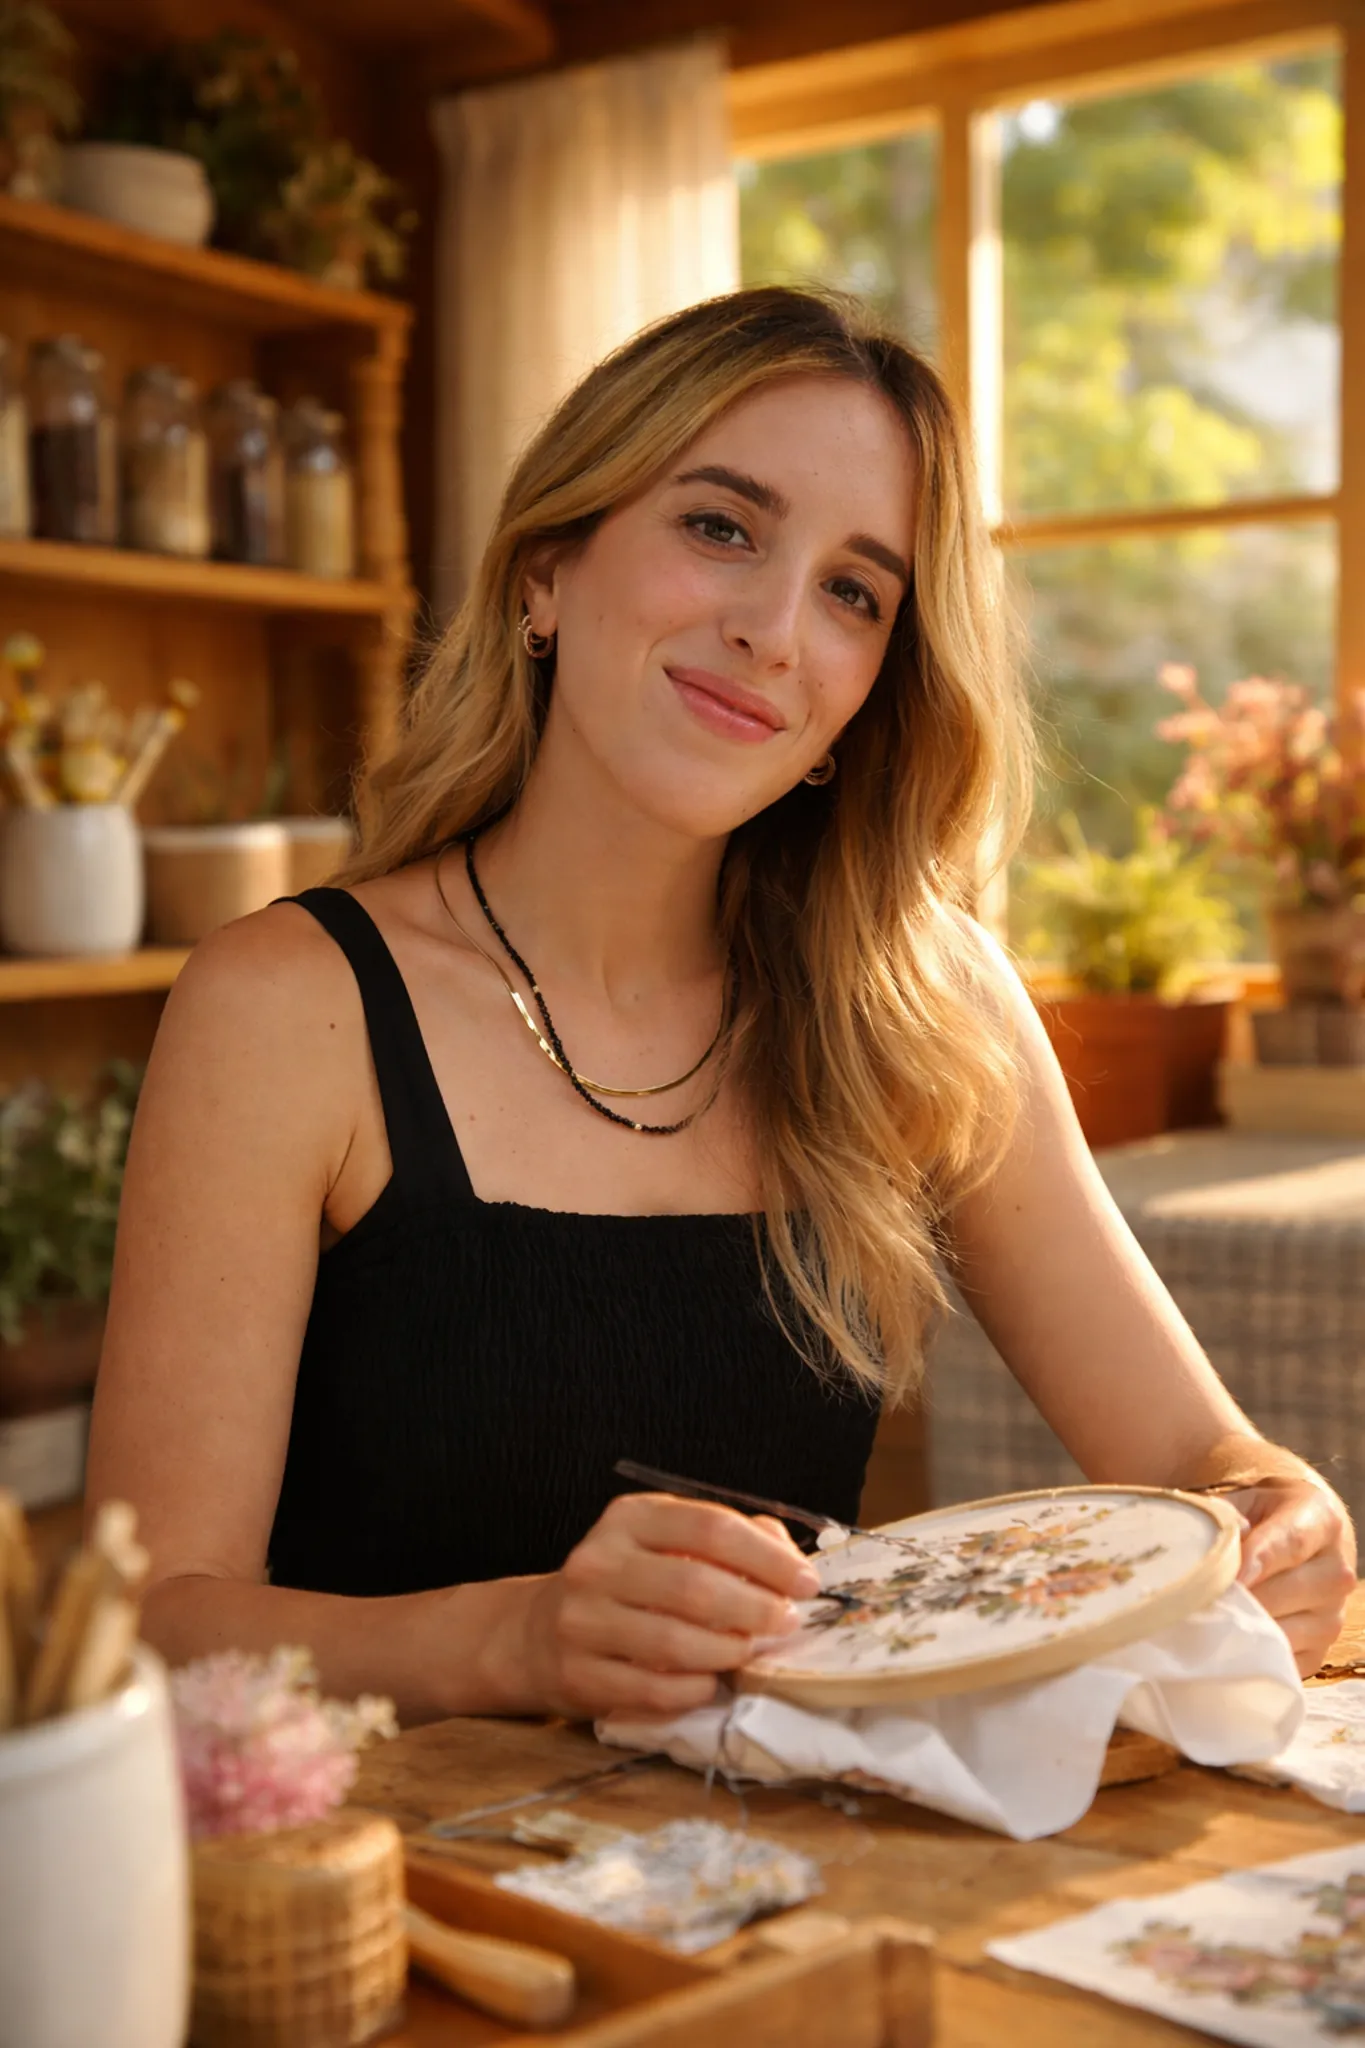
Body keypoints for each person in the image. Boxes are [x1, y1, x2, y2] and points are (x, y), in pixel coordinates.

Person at [87, 287, 1354, 1725]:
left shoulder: (921, 1005)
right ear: (545, 574)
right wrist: (511, 1643)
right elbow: (148, 1623)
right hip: (389, 1856)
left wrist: (1279, 1517)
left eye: (854, 593)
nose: (774, 630)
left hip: (806, 1850)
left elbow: (1202, 1466)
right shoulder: (284, 1009)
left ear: (866, 698)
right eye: (721, 527)